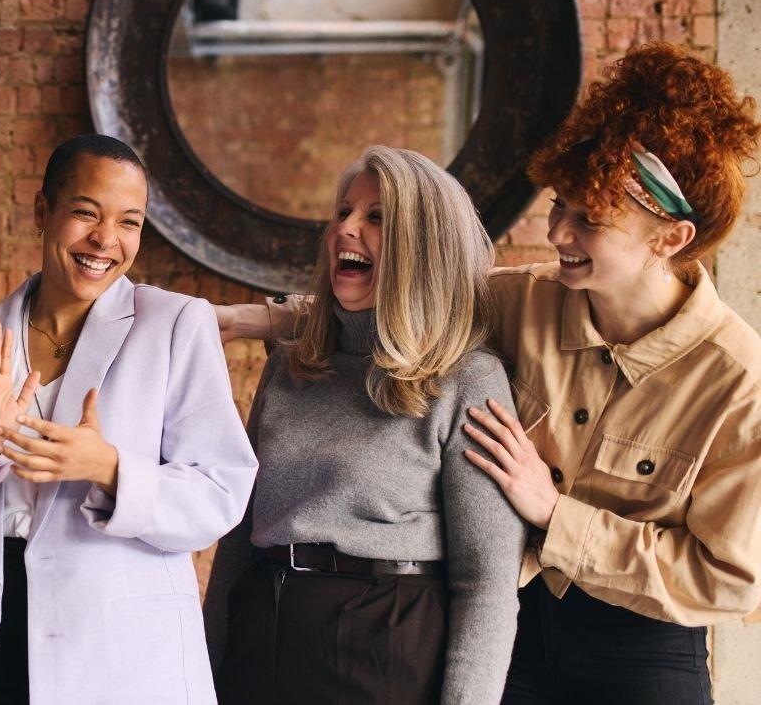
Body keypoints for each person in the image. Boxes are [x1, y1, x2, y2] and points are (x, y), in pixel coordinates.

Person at [216, 43, 761, 704]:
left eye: (589, 221)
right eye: (560, 204)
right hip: (521, 621)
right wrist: (253, 321)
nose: (558, 232)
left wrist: (558, 516)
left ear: (669, 239)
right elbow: (405, 297)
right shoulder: (524, 298)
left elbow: (732, 580)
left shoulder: (739, 383)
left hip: (640, 643)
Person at [0, 134, 258, 705]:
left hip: (123, 657)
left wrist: (110, 468)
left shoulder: (175, 326)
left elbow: (221, 491)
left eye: (130, 222)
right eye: (85, 213)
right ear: (42, 212)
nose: (106, 240)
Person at [203, 146, 526, 705]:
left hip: (385, 653)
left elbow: (486, 586)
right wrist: (199, 675)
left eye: (376, 218)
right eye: (343, 212)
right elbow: (236, 541)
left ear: (422, 246)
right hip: (260, 641)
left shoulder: (470, 379)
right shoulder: (292, 361)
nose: (345, 230)